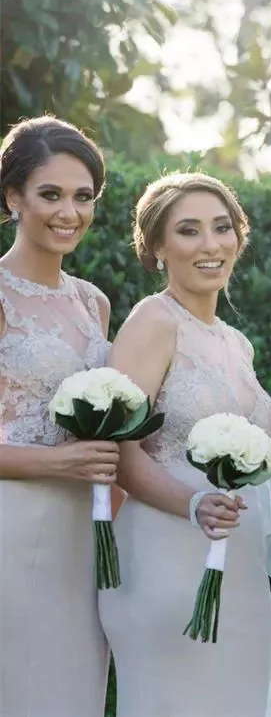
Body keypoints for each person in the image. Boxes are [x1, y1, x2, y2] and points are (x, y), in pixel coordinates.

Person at [98, 172, 271, 716]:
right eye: (189, 231)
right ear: (157, 249)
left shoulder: (237, 343)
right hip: (165, 553)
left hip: (238, 563)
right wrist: (193, 504)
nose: (210, 244)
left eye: (222, 228)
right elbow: (118, 452)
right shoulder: (155, 321)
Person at [0, 115, 114, 717]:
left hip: (83, 533)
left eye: (82, 196)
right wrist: (55, 460)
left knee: (73, 694)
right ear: (14, 196)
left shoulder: (93, 302)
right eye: (50, 194)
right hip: (11, 527)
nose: (69, 212)